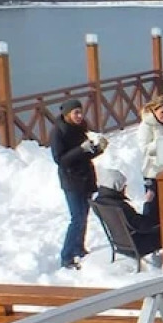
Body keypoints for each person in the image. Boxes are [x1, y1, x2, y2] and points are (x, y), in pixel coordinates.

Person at [50, 98, 108, 270]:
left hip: (86, 178)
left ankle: (79, 248)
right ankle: (66, 255)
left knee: (84, 215)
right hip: (71, 181)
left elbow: (84, 155)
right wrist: (80, 149)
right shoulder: (58, 132)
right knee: (76, 217)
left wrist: (98, 149)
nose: (80, 116)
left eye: (81, 112)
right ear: (67, 114)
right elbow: (60, 160)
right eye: (76, 113)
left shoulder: (80, 128)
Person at [92, 167, 161, 258]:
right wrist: (149, 205)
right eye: (123, 186)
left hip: (120, 242)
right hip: (138, 245)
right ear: (117, 186)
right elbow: (144, 225)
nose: (124, 189)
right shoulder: (120, 207)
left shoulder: (99, 202)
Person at [138, 94, 163, 204]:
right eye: (162, 112)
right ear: (154, 110)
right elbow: (144, 149)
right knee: (151, 205)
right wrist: (161, 141)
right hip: (152, 172)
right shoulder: (146, 125)